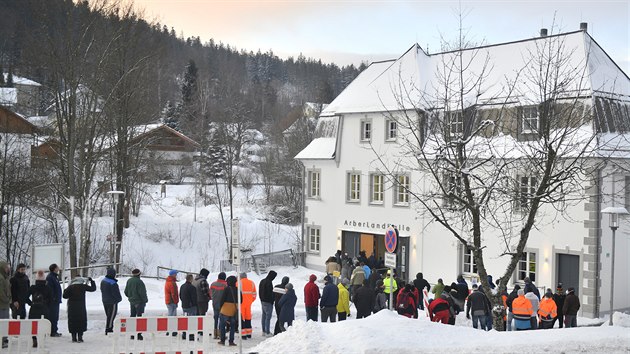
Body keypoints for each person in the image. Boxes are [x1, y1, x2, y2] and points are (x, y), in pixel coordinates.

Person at [63, 277, 96, 343]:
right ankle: (80, 337)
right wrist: (92, 281)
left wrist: (66, 289)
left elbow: (64, 296)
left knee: (72, 321)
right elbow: (93, 289)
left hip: (72, 307)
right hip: (81, 307)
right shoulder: (83, 286)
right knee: (81, 321)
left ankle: (73, 337)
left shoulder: (70, 287)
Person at [28, 270, 51, 348]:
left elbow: (25, 297)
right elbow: (51, 299)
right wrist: (46, 304)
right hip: (44, 308)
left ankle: (34, 340)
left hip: (34, 308)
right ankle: (41, 340)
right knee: (43, 324)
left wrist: (31, 303)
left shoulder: (33, 287)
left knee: (33, 324)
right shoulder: (47, 288)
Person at [124, 268, 147, 340]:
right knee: (139, 317)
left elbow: (126, 292)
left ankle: (132, 333)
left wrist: (131, 297)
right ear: (139, 274)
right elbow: (142, 293)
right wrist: (145, 300)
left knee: (132, 317)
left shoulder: (129, 281)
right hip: (139, 302)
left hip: (132, 302)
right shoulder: (139, 282)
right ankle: (139, 334)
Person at [218, 275, 240, 346]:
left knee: (222, 325)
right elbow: (241, 300)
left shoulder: (227, 289)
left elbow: (222, 299)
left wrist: (220, 307)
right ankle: (231, 341)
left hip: (225, 309)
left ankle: (222, 340)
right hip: (233, 309)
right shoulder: (237, 289)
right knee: (233, 326)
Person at [101, 267, 122, 335]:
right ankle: (109, 329)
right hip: (112, 302)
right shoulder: (113, 283)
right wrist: (119, 299)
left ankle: (109, 327)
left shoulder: (103, 281)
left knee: (108, 315)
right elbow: (116, 293)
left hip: (105, 300)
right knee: (111, 316)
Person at [238, 272, 257, 339]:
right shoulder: (252, 283)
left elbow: (236, 294)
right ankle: (249, 333)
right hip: (248, 303)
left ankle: (243, 335)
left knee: (242, 318)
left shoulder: (238, 283)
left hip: (241, 304)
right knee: (248, 317)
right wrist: (250, 301)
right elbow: (254, 294)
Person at [258, 270, 276, 337]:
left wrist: (261, 299)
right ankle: (267, 332)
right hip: (268, 302)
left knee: (264, 316)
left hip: (262, 301)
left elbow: (260, 291)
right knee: (268, 317)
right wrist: (272, 300)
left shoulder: (262, 281)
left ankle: (263, 331)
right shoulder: (269, 283)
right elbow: (270, 293)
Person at [46, 264, 62, 337]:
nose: (58, 268)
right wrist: (53, 298)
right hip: (53, 301)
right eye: (57, 267)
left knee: (55, 316)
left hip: (56, 300)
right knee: (53, 316)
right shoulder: (50, 277)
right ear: (54, 269)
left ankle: (55, 330)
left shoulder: (55, 277)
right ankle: (52, 331)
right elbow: (50, 289)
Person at [179, 273, 197, 341]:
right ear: (191, 279)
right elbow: (194, 298)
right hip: (191, 307)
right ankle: (191, 335)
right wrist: (194, 304)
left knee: (185, 320)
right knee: (192, 321)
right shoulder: (192, 288)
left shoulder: (182, 286)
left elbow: (180, 296)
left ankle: (184, 334)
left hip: (184, 305)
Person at [210, 272, 228, 339]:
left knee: (216, 318)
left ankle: (215, 333)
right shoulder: (225, 285)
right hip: (223, 304)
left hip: (215, 303)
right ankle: (221, 333)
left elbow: (210, 294)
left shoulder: (213, 284)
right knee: (222, 319)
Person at [0, 261, 12, 348]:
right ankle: (2, 340)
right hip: (2, 305)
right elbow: (1, 292)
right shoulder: (1, 278)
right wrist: (6, 299)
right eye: (6, 267)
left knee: (5, 322)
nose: (8, 269)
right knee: (3, 322)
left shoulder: (5, 277)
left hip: (5, 304)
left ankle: (4, 339)